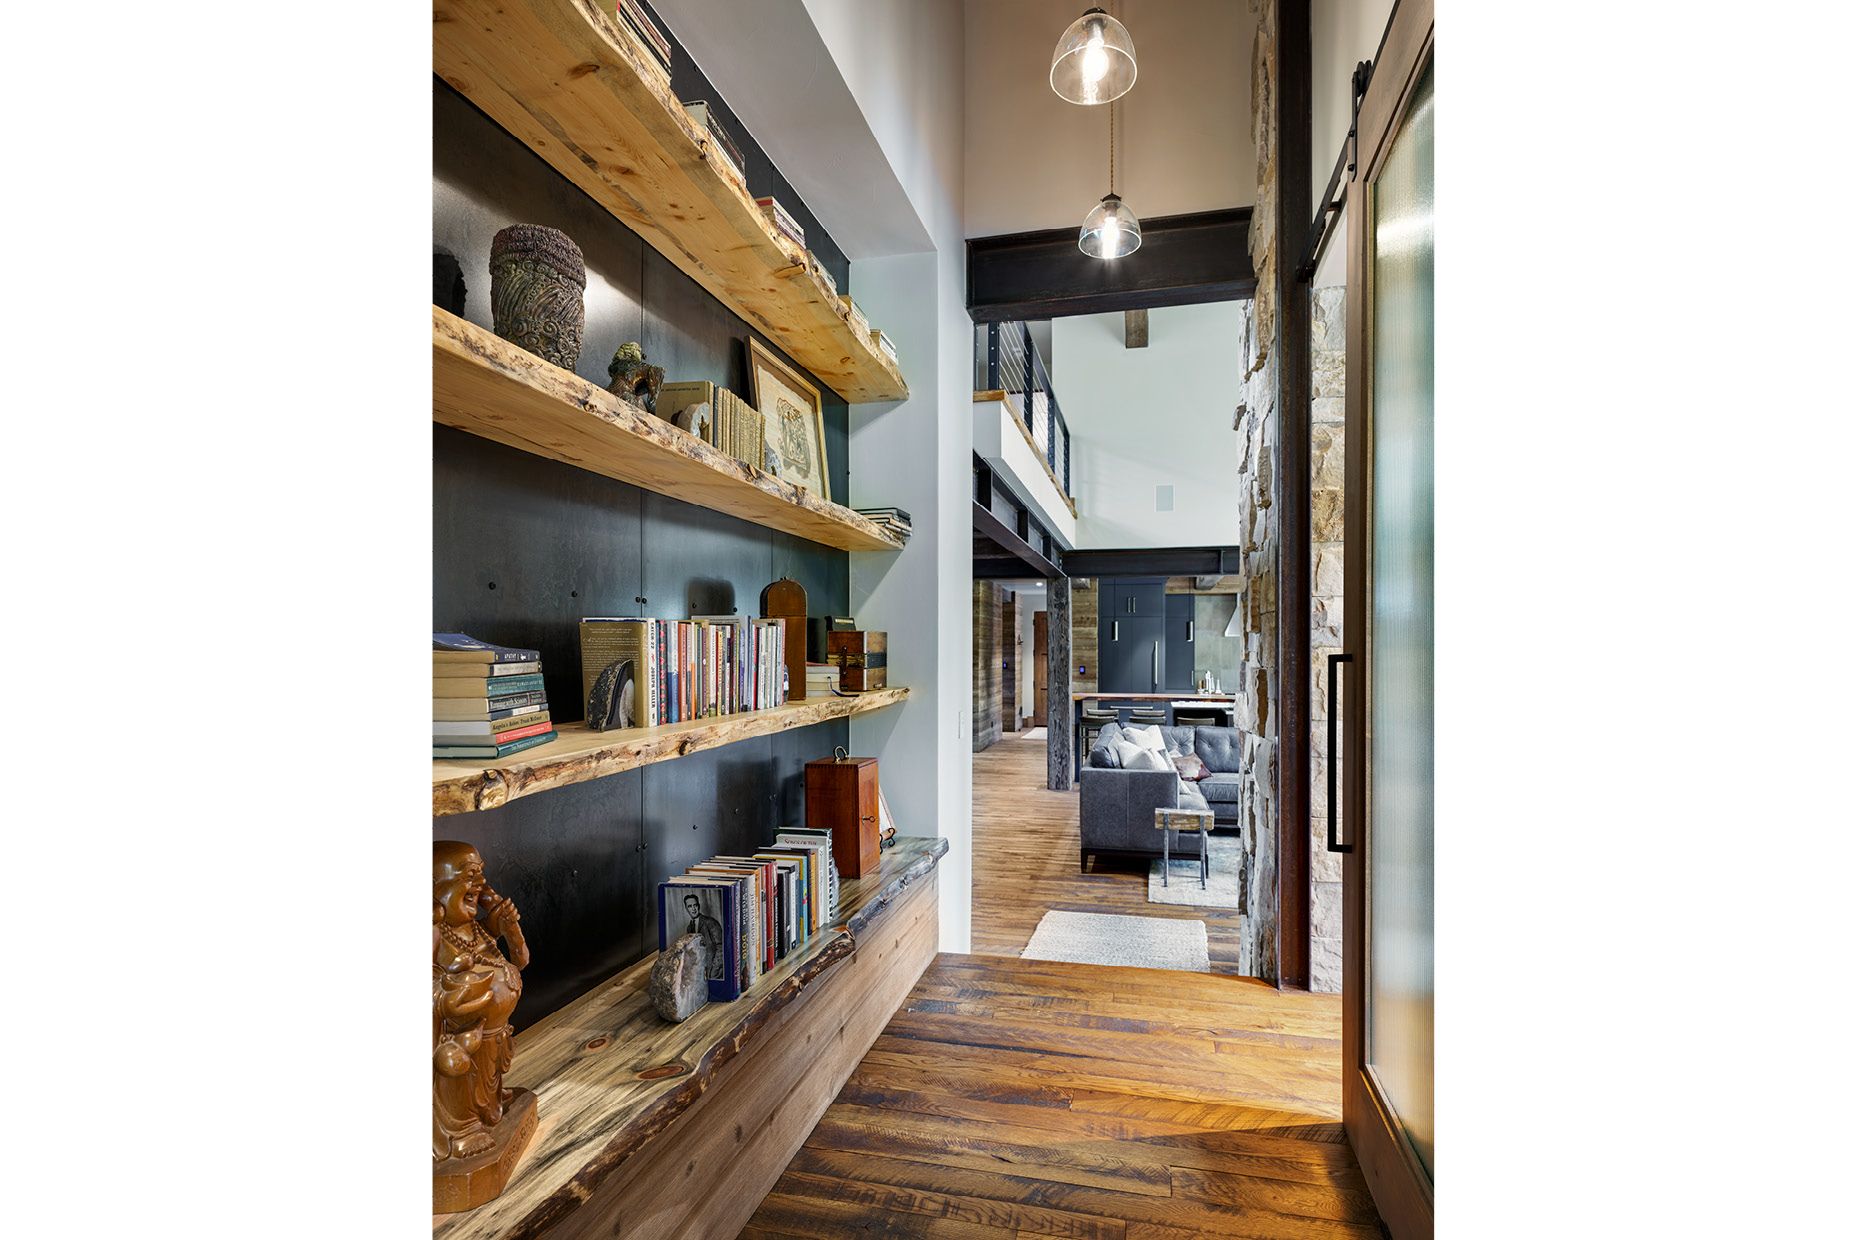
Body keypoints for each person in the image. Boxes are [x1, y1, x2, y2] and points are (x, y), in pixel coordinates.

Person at [433, 841, 528, 1163]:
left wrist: (507, 927)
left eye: (481, 876)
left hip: (495, 1035)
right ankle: (460, 1131)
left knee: (487, 1075)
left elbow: (522, 959)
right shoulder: (434, 933)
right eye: (470, 876)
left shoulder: (477, 930)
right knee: (458, 1073)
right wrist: (445, 997)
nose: (479, 886)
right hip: (461, 1043)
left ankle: (489, 1106)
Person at [682, 891, 724, 979]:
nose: (693, 909)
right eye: (690, 906)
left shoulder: (711, 922)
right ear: (686, 909)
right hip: (699, 973)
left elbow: (721, 948)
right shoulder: (689, 928)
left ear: (699, 906)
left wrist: (713, 972)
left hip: (714, 972)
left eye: (695, 905)